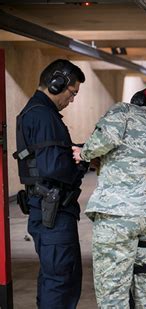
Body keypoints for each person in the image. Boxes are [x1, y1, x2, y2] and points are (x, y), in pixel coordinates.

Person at [72, 87, 146, 308]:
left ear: (137, 101)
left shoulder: (124, 110)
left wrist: (84, 153)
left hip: (119, 215)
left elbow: (106, 138)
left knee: (113, 287)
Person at [13, 59, 86, 308]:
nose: (72, 99)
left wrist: (77, 151)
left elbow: (50, 155)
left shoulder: (38, 112)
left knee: (54, 276)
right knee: (61, 278)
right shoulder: (43, 115)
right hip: (53, 212)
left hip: (47, 209)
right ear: (56, 84)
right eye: (72, 92)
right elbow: (55, 167)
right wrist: (83, 162)